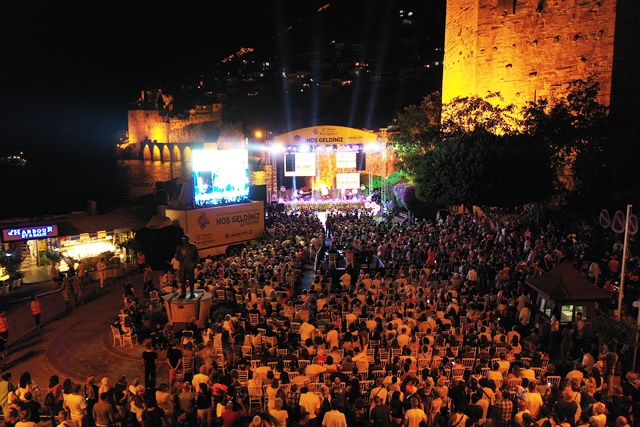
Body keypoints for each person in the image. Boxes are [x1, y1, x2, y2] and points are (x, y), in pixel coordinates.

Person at [174, 234, 200, 298]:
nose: (184, 240)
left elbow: (197, 256)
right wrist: (180, 258)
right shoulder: (179, 247)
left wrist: (194, 264)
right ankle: (183, 293)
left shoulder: (193, 246)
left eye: (185, 239)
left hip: (190, 264)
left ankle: (192, 293)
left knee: (191, 279)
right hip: (182, 265)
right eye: (182, 239)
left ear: (188, 239)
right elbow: (176, 255)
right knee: (182, 279)